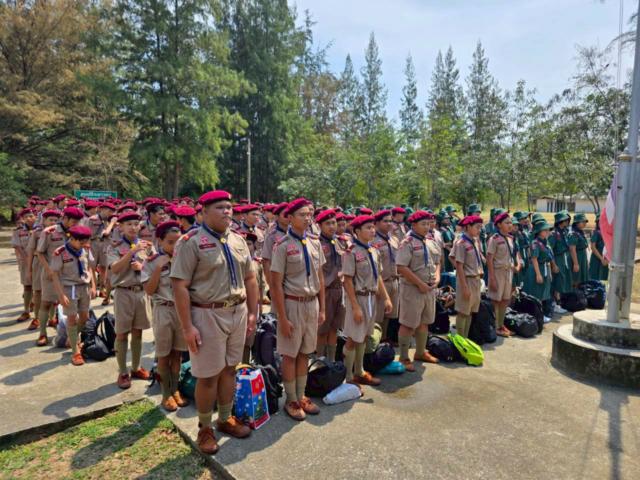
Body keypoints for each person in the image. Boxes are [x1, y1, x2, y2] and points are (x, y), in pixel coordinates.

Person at [171, 190, 259, 454]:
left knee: (230, 369)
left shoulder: (238, 240)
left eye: (229, 207)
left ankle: (225, 418)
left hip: (237, 311)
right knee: (208, 376)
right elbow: (179, 285)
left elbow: (250, 278)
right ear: (204, 212)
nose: (226, 212)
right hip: (207, 314)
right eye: (220, 207)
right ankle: (205, 427)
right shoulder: (191, 242)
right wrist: (187, 327)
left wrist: (252, 312)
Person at [270, 198, 326, 421]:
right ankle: (291, 399)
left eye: (309, 214)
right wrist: (282, 318)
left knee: (305, 352)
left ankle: (301, 395)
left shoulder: (314, 243)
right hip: (292, 304)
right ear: (290, 218)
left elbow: (320, 277)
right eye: (302, 214)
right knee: (290, 354)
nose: (307, 218)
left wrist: (322, 308)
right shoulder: (282, 245)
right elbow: (276, 285)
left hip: (311, 303)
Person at [142, 220, 189, 412]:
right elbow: (149, 290)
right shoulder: (151, 262)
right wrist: (158, 268)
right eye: (170, 242)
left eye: (178, 242)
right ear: (160, 241)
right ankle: (165, 394)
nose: (175, 246)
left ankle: (175, 389)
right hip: (163, 309)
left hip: (182, 310)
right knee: (163, 354)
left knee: (177, 353)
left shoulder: (185, 258)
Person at [341, 215, 392, 388]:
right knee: (353, 338)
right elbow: (347, 281)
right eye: (368, 228)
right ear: (357, 231)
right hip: (358, 297)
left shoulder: (373, 250)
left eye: (372, 227)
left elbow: (378, 277)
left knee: (363, 336)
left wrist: (386, 298)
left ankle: (359, 371)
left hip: (371, 298)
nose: (372, 230)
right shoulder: (351, 252)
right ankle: (348, 377)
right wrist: (355, 307)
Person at [107, 211, 154, 389]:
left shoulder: (147, 246)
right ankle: (122, 371)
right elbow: (115, 268)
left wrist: (142, 266)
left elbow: (156, 267)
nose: (133, 227)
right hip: (123, 293)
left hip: (141, 292)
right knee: (121, 333)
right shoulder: (114, 247)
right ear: (120, 227)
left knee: (138, 332)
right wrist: (131, 253)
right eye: (129, 224)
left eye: (136, 224)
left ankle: (136, 367)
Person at [395, 211, 441, 371]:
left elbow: (438, 261)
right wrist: (420, 283)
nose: (427, 227)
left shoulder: (430, 241)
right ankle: (403, 357)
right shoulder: (407, 243)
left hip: (429, 288)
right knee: (408, 323)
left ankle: (420, 352)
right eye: (423, 224)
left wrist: (437, 277)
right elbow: (401, 267)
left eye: (428, 223)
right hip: (412, 289)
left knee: (424, 321)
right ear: (413, 225)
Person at [36, 207, 84, 346]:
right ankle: (43, 333)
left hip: (70, 275)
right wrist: (49, 270)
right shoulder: (49, 232)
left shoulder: (77, 232)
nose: (76, 224)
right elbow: (40, 253)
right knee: (46, 302)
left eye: (78, 222)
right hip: (51, 273)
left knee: (72, 307)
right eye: (73, 221)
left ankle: (72, 336)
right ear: (65, 218)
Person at [50, 225, 96, 365]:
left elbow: (90, 267)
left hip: (84, 287)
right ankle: (75, 352)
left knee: (85, 317)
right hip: (70, 289)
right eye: (81, 241)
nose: (84, 244)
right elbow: (55, 274)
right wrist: (61, 294)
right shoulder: (60, 253)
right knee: (72, 319)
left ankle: (73, 337)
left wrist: (93, 285)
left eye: (86, 241)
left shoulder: (85, 249)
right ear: (72, 238)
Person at [316, 209, 345, 362]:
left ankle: (332, 361)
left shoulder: (340, 241)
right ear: (320, 226)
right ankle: (320, 361)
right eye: (327, 223)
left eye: (334, 223)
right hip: (325, 291)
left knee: (334, 328)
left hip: (339, 290)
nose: (332, 226)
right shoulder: (316, 243)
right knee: (322, 329)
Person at [27, 209, 60, 345]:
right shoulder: (37, 232)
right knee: (39, 293)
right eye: (50, 220)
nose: (53, 222)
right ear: (44, 220)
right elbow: (31, 251)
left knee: (53, 296)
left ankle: (52, 318)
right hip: (39, 265)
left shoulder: (60, 233)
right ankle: (37, 319)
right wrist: (29, 269)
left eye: (55, 220)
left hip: (55, 266)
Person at [449, 215, 484, 338]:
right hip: (467, 280)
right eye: (477, 227)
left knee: (470, 312)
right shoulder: (461, 243)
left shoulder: (475, 241)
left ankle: (465, 338)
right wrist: (464, 287)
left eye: (480, 227)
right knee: (463, 312)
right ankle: (460, 339)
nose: (479, 230)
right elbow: (459, 265)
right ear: (468, 227)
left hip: (475, 279)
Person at [486, 212, 517, 337]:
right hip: (497, 272)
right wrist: (492, 278)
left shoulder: (510, 238)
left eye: (511, 222)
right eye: (507, 223)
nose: (510, 225)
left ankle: (501, 324)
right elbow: (489, 259)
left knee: (505, 299)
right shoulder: (494, 239)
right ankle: (495, 325)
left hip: (508, 272)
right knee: (496, 300)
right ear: (499, 225)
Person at [524, 221, 556, 323]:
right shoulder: (535, 243)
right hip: (537, 269)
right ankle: (535, 315)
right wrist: (538, 274)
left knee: (543, 293)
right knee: (536, 293)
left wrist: (549, 272)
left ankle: (539, 314)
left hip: (544, 268)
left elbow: (549, 258)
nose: (547, 232)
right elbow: (534, 259)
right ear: (538, 231)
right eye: (545, 230)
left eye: (548, 230)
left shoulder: (545, 242)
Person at [12, 208, 37, 325]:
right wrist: (26, 259)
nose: (29, 218)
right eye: (26, 217)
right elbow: (17, 246)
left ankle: (38, 315)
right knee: (27, 286)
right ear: (22, 219)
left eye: (31, 216)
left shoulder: (41, 229)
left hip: (39, 262)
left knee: (39, 289)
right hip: (25, 262)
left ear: (35, 216)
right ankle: (26, 311)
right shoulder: (18, 231)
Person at [261, 202, 289, 289]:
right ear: (277, 217)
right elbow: (266, 261)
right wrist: (271, 284)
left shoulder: (295, 233)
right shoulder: (271, 236)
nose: (288, 217)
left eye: (289, 214)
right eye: (285, 214)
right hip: (278, 277)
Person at [549, 210, 572, 313]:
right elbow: (550, 250)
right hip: (557, 258)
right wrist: (553, 264)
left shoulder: (564, 232)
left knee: (562, 280)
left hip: (563, 258)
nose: (567, 222)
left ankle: (558, 303)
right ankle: (555, 304)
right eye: (565, 220)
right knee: (557, 281)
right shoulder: (554, 234)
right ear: (560, 221)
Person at [569, 213, 589, 287]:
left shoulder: (580, 232)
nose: (584, 223)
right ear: (577, 223)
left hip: (582, 257)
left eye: (585, 222)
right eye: (582, 222)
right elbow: (572, 249)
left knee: (582, 278)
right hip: (577, 257)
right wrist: (576, 263)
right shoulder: (573, 234)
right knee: (576, 278)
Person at [589, 213, 609, 281]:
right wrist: (601, 259)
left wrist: (607, 259)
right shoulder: (596, 233)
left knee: (603, 278)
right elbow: (593, 247)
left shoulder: (607, 232)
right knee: (594, 278)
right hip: (596, 258)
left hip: (605, 259)